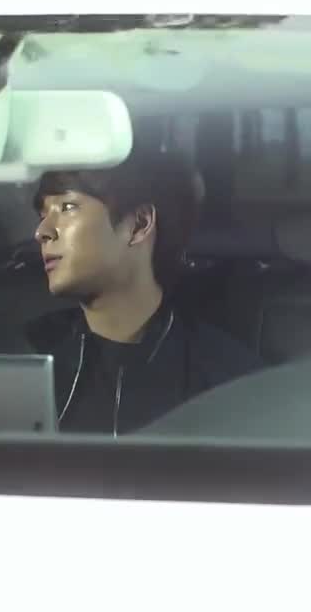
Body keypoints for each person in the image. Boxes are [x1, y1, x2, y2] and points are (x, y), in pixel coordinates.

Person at [25, 144, 261, 436]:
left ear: (139, 224)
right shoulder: (23, 356)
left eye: (67, 208)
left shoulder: (228, 382)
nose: (42, 232)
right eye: (43, 214)